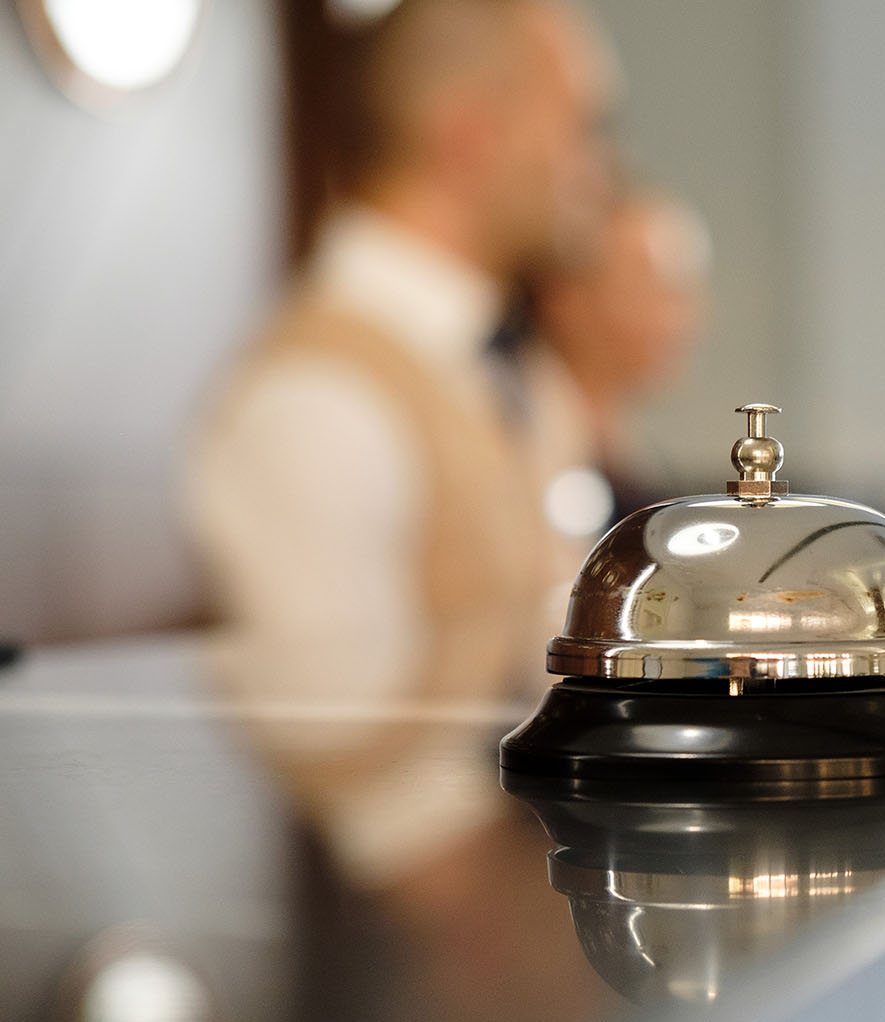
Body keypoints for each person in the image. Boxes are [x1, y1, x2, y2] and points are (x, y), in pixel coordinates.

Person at [189, 0, 613, 663]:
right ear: (473, 136)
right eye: (578, 127)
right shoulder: (317, 393)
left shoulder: (517, 370)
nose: (596, 169)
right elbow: (329, 734)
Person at [534, 189, 711, 519]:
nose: (682, 318)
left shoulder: (635, 462)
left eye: (683, 290)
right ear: (565, 297)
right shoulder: (527, 444)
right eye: (652, 287)